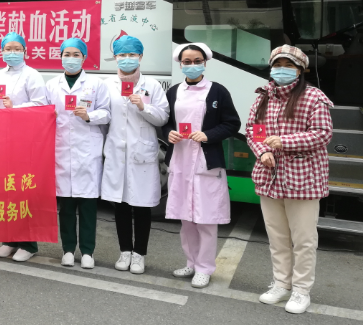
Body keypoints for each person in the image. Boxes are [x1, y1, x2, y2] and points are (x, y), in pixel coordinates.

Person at [248, 45, 333, 314]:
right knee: (277, 237)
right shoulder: (263, 97)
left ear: (300, 70)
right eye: (277, 65)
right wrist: (262, 152)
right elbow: (254, 131)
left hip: (303, 179)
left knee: (304, 240)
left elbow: (322, 133)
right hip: (269, 177)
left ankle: (301, 290)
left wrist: (285, 142)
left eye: (289, 65)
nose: (281, 70)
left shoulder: (313, 97)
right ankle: (281, 284)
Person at [163, 43, 240, 289]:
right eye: (187, 61)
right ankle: (191, 262)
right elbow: (165, 122)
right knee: (186, 218)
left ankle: (205, 268)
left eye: (197, 61)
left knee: (206, 218)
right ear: (180, 64)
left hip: (206, 161)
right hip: (181, 159)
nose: (192, 65)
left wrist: (208, 135)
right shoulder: (174, 91)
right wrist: (169, 133)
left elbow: (232, 123)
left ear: (205, 62)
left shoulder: (217, 91)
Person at [102, 36, 169, 274]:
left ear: (140, 57)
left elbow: (162, 118)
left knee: (141, 206)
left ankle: (139, 254)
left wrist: (143, 107)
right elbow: (103, 118)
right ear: (115, 57)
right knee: (120, 205)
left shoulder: (152, 85)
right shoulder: (106, 85)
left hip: (142, 154)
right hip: (117, 153)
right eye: (122, 55)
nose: (127, 59)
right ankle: (124, 251)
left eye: (132, 55)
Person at [46, 38, 110, 269]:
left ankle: (88, 251)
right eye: (67, 54)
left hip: (87, 152)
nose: (71, 59)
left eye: (76, 55)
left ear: (84, 58)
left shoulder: (96, 84)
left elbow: (106, 113)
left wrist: (89, 116)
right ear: (60, 57)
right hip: (62, 150)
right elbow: (43, 114)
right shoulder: (52, 85)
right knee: (66, 206)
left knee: (88, 206)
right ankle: (67, 250)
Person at [0, 32, 48, 263]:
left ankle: (28, 243)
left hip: (25, 139)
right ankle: (10, 239)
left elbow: (41, 105)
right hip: (3, 139)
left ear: (25, 51)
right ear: (1, 51)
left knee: (24, 190)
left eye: (17, 49)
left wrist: (15, 108)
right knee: (6, 189)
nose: (12, 53)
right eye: (8, 49)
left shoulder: (32, 75)